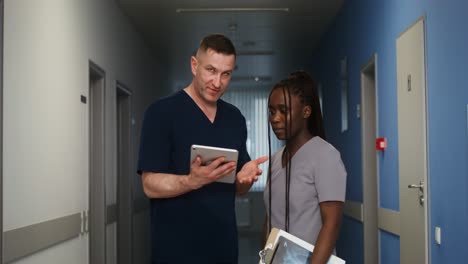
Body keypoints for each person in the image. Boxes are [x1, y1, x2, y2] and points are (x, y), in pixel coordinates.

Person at [137, 33, 268, 264]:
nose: (217, 83)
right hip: (175, 251)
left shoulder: (235, 119)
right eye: (211, 70)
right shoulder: (161, 113)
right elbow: (149, 185)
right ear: (194, 65)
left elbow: (235, 186)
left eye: (226, 74)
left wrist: (244, 182)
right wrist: (191, 181)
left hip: (223, 249)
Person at [263, 71, 347, 264]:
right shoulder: (275, 160)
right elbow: (269, 221)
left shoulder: (325, 156)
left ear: (306, 112)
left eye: (283, 111)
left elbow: (331, 225)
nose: (275, 118)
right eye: (272, 111)